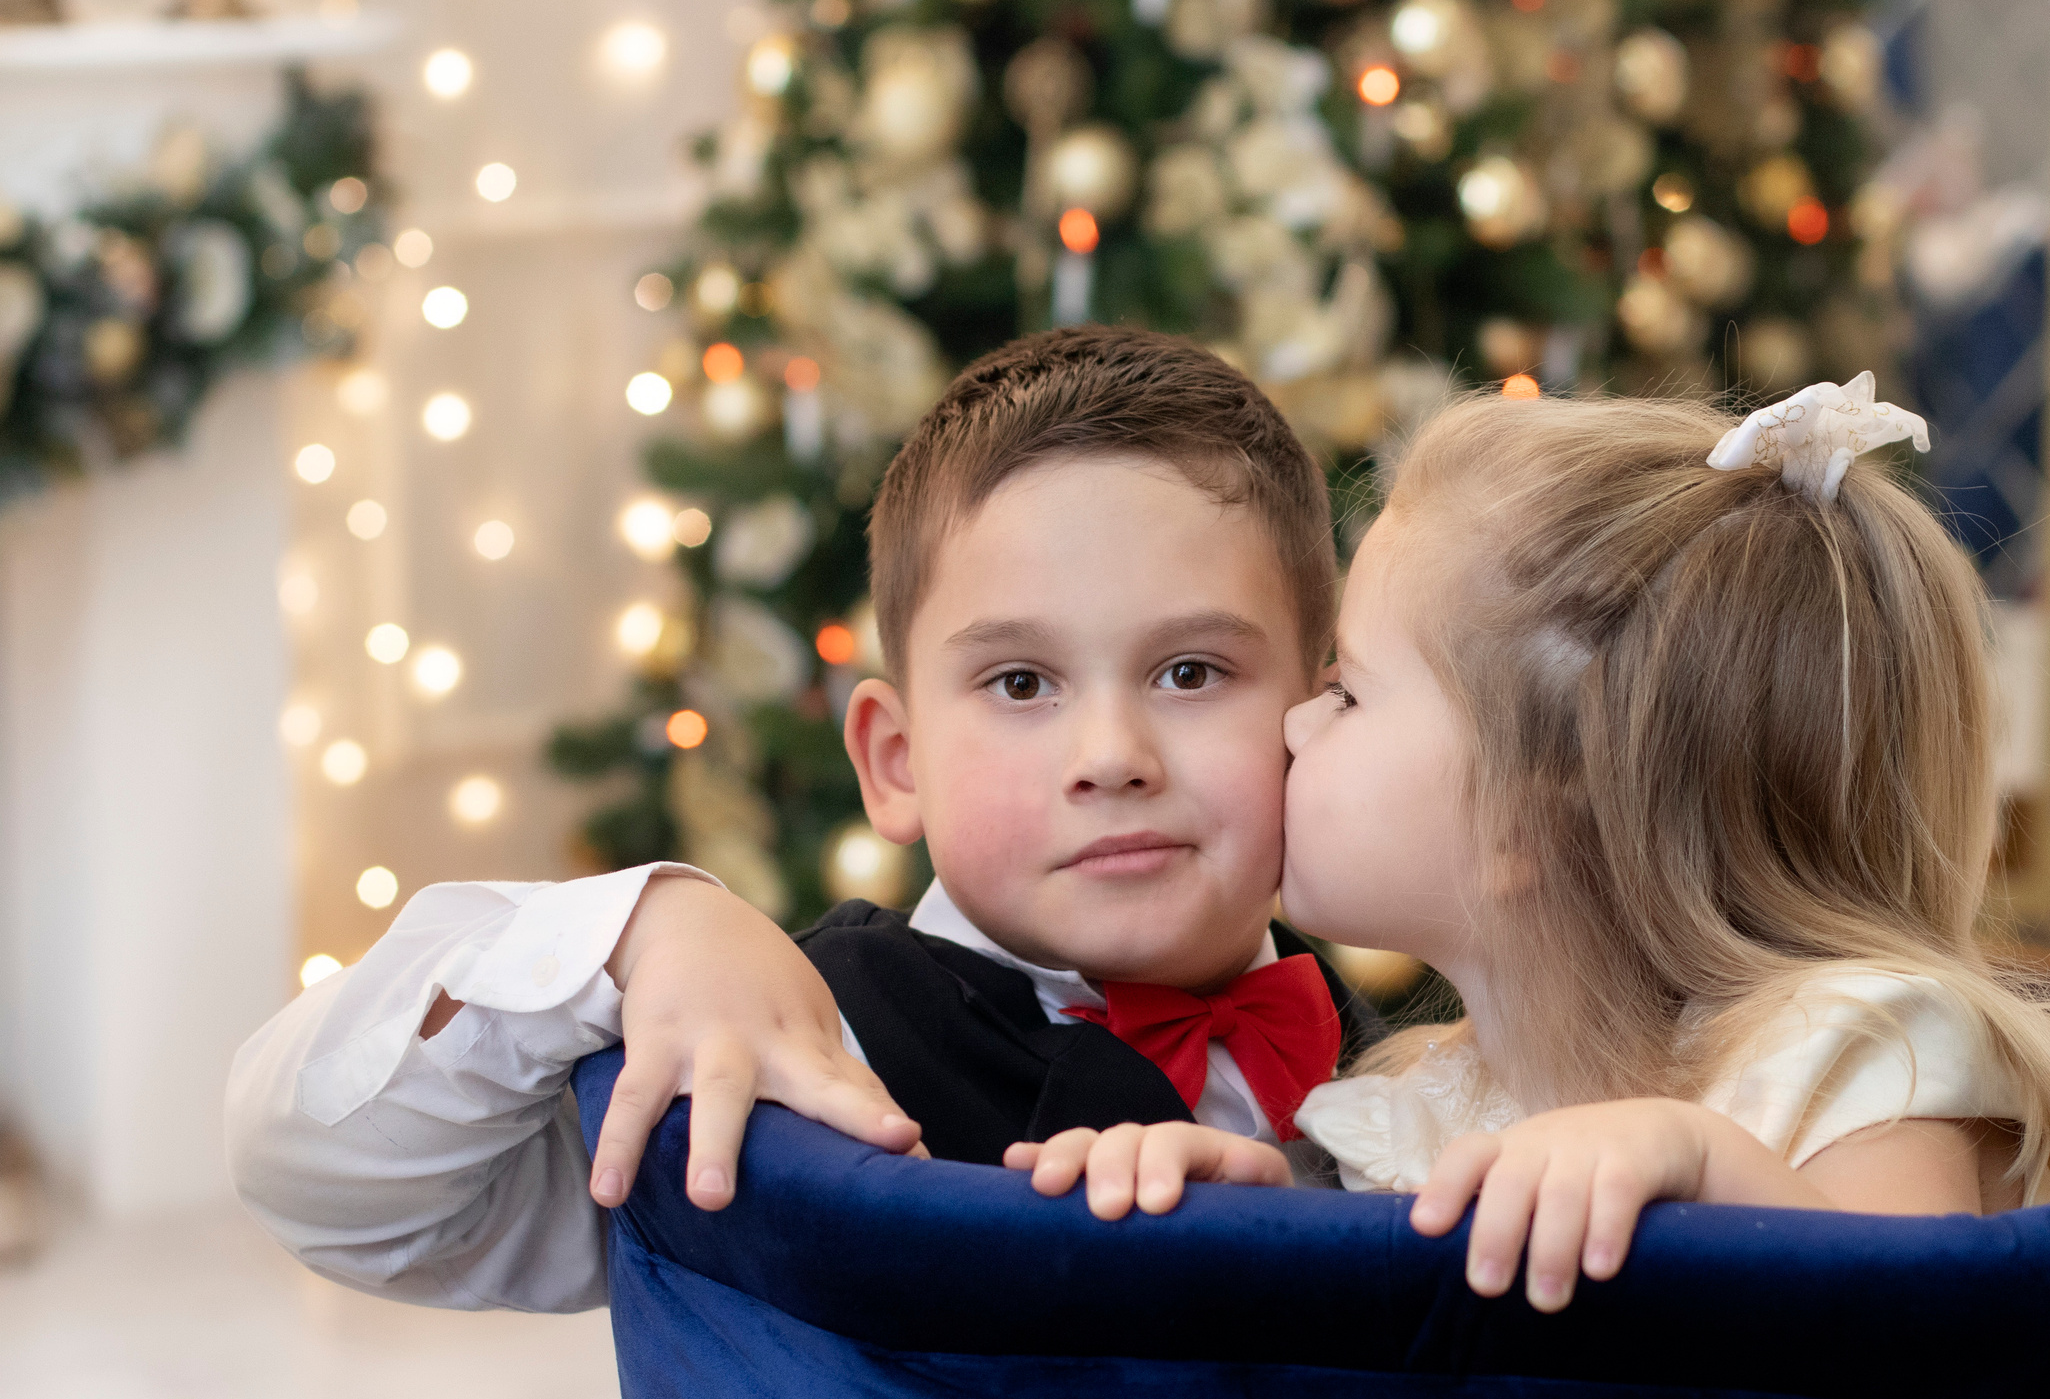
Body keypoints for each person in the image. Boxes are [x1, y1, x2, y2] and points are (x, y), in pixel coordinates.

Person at [1013, 376, 2050, 1311]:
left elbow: (1916, 1386)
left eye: (1348, 691)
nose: (1290, 721)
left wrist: (1704, 1167)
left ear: (1539, 808)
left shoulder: (1858, 1050)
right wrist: (1263, 1227)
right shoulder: (1417, 1098)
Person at [225, 326, 1374, 1311]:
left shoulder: (1403, 1057)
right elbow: (314, 1176)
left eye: (1190, 672)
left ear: (1322, 718)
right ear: (895, 762)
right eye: (1021, 683)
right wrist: (644, 930)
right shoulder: (797, 1046)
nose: (1112, 757)